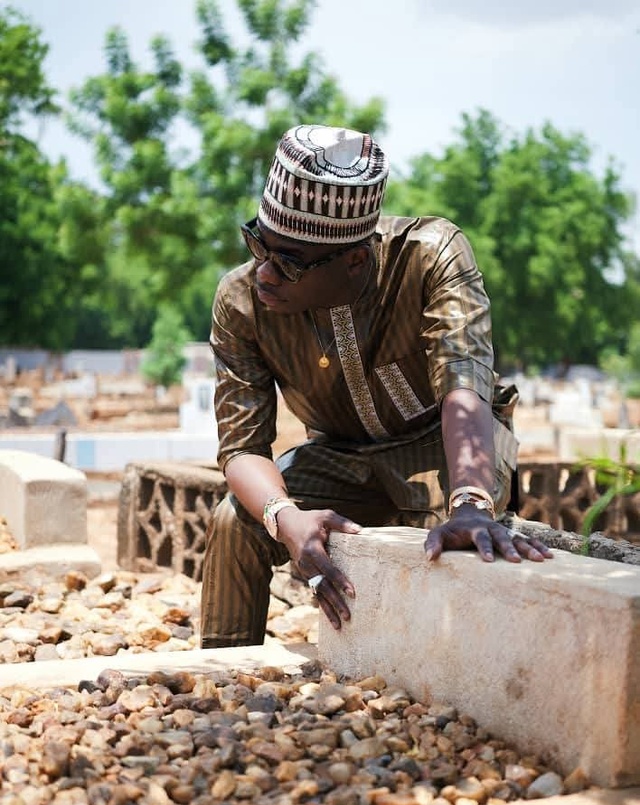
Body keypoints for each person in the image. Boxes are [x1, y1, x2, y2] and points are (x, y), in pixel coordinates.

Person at [201, 124, 552, 648]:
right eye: (257, 244)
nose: (264, 274)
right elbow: (242, 447)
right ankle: (224, 671)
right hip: (338, 454)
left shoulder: (430, 256)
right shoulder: (239, 302)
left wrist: (471, 500)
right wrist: (284, 516)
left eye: (289, 261)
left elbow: (464, 382)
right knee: (236, 520)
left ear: (356, 260)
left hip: (440, 442)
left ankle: (441, 681)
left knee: (452, 538)